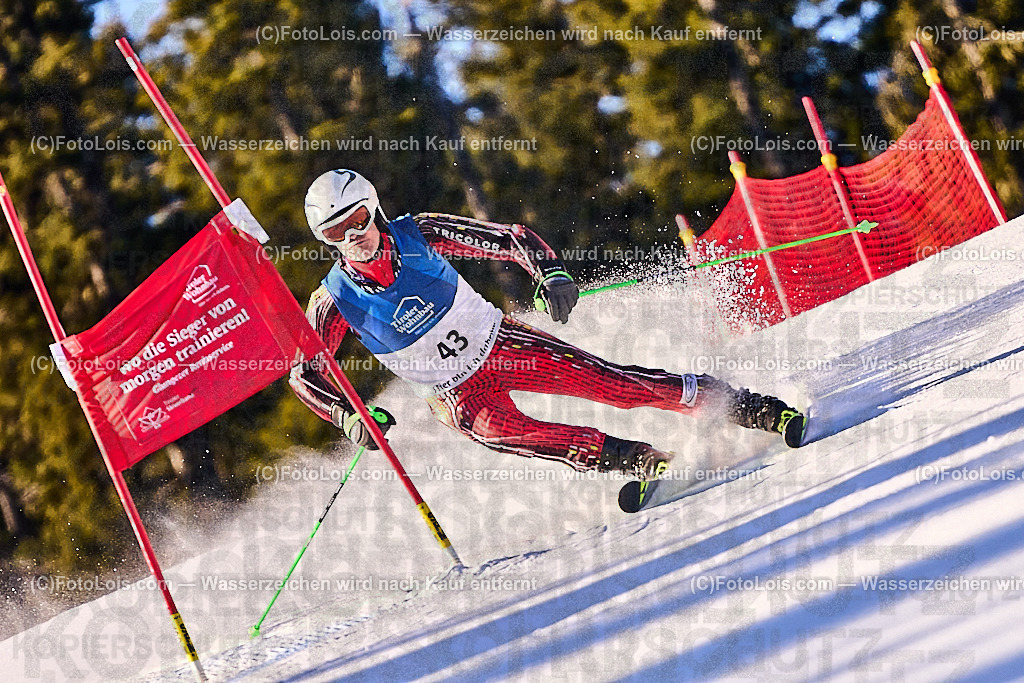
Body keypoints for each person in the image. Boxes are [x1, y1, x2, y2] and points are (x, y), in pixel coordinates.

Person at [289, 170, 804, 481]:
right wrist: (349, 417)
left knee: (615, 386)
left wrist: (550, 272)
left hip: (500, 346)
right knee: (512, 434)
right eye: (336, 232)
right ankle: (633, 459)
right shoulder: (334, 300)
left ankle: (746, 406)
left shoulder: (418, 233)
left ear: (374, 210)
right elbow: (304, 371)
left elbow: (509, 238)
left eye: (358, 219)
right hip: (455, 395)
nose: (353, 236)